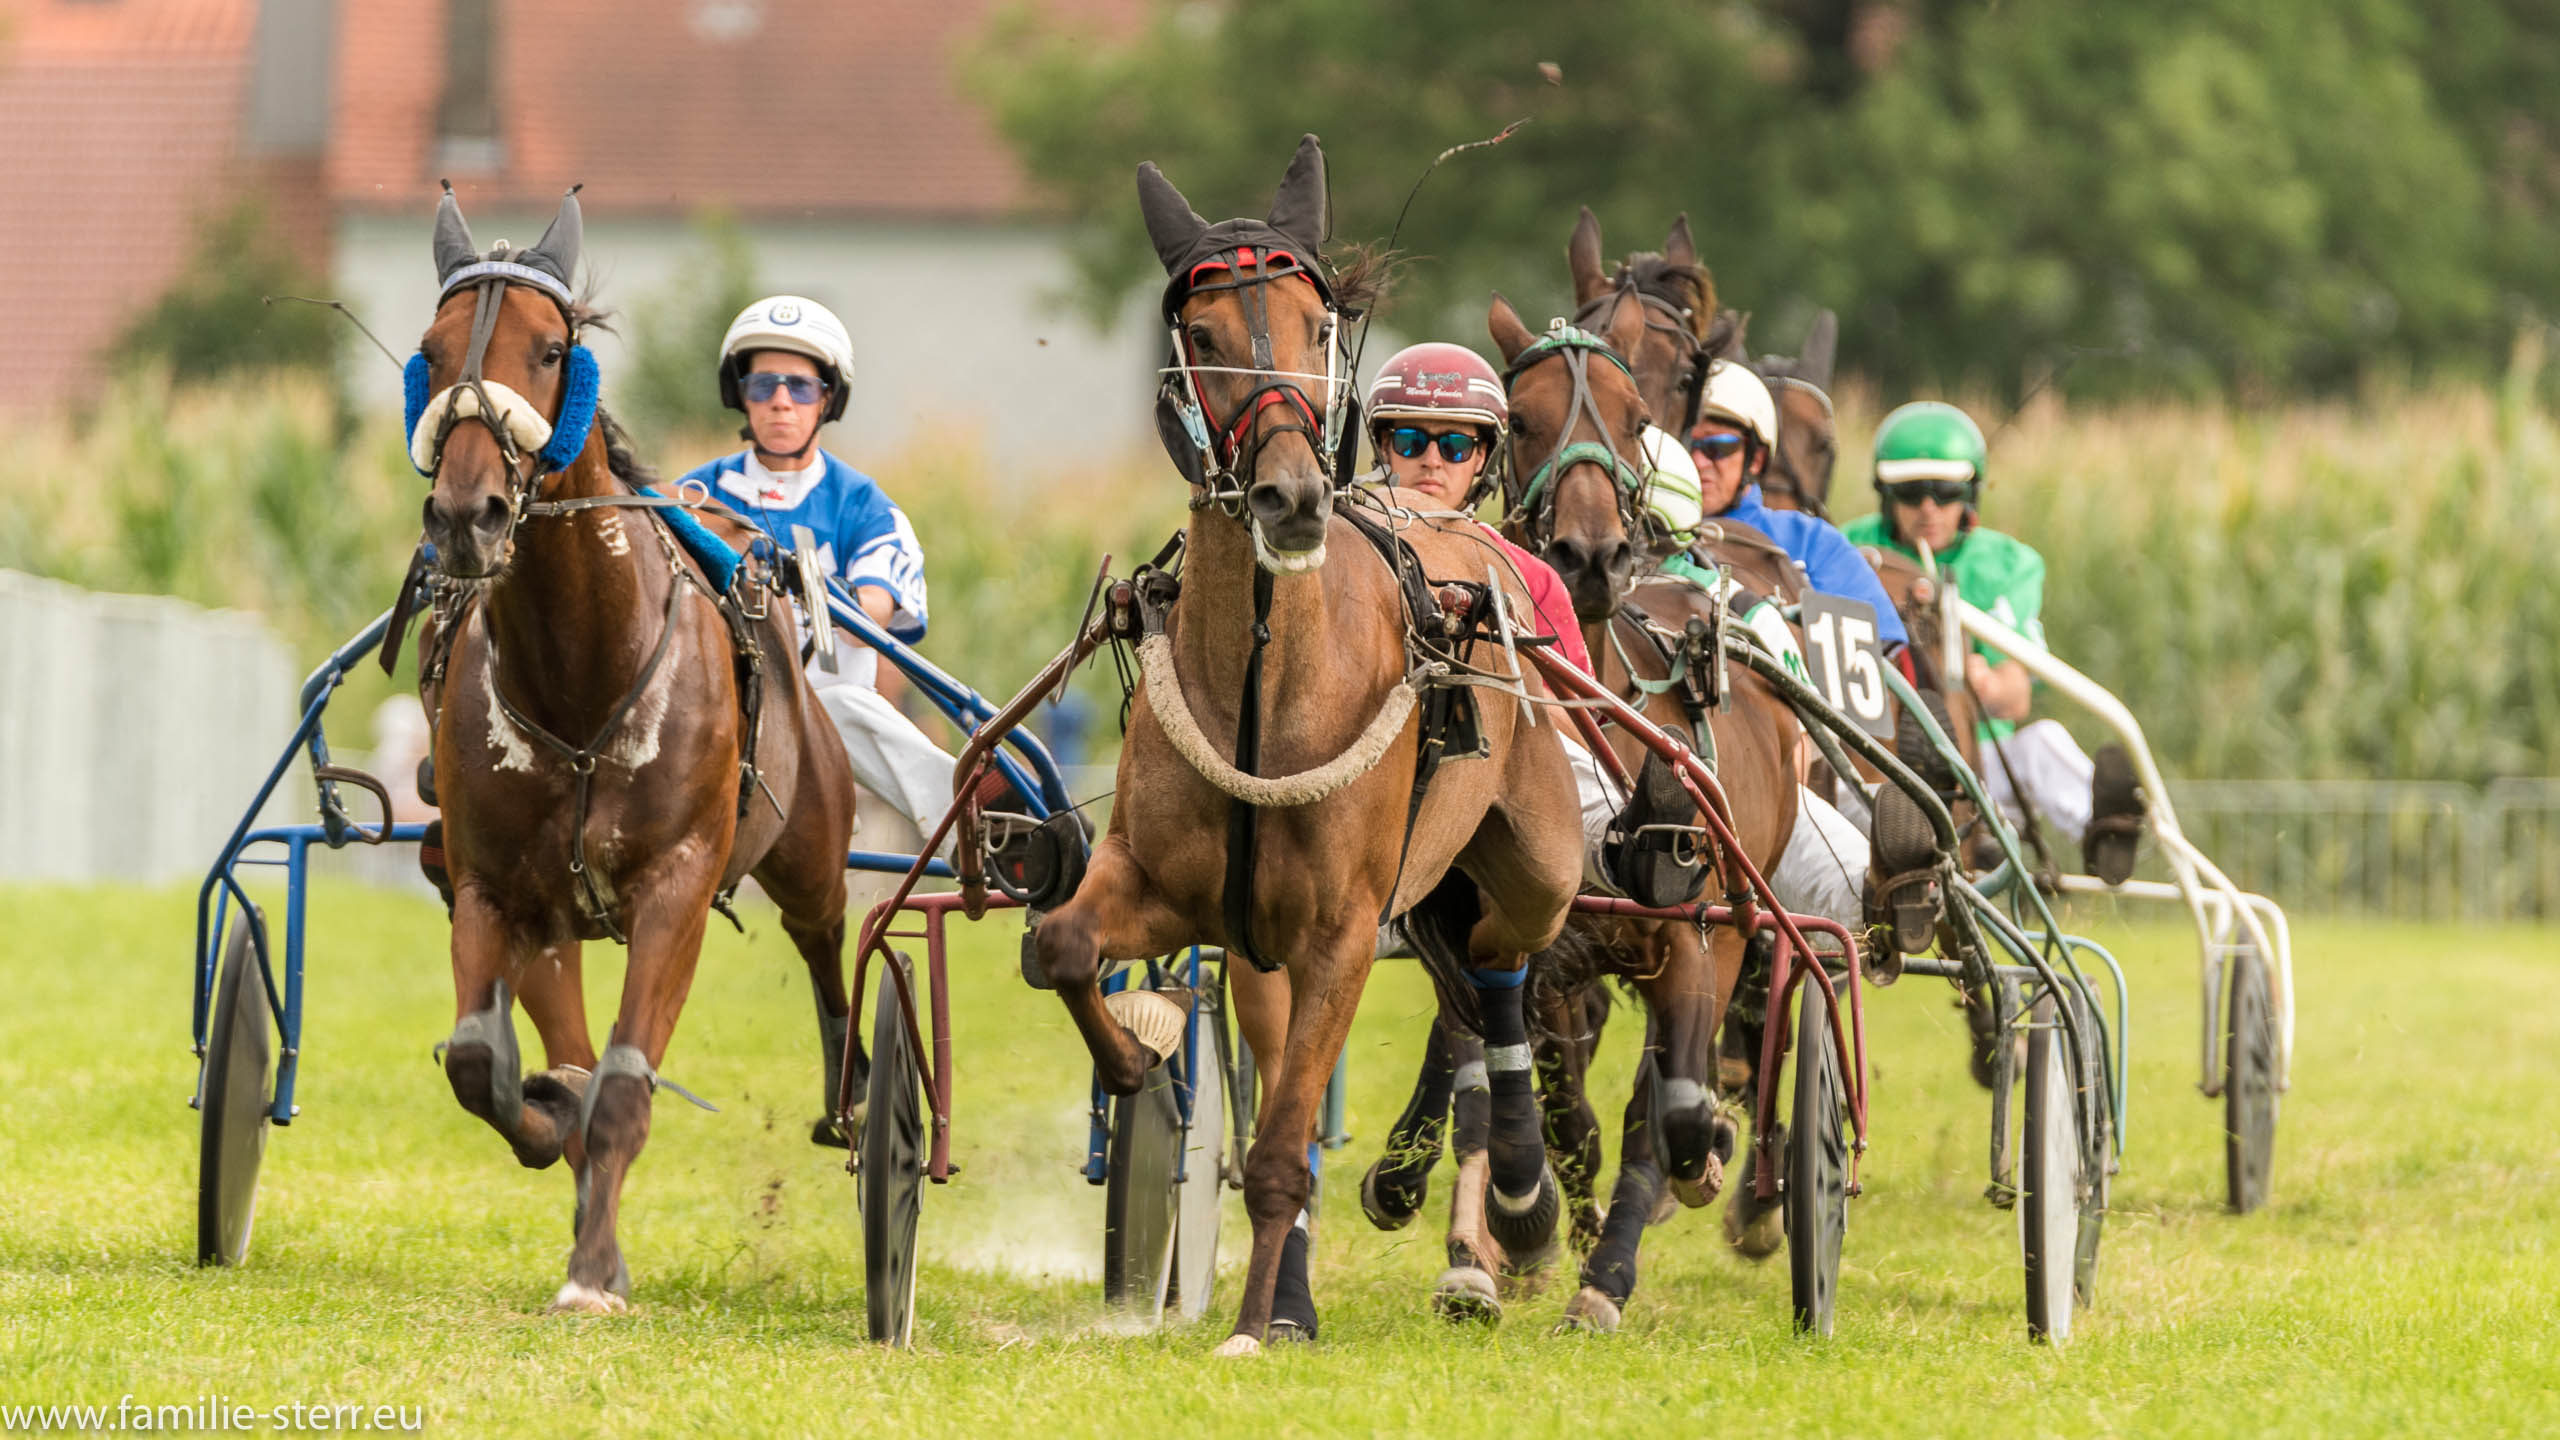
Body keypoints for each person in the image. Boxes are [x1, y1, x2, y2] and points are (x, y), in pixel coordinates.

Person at [1359, 342, 1699, 906]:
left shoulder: (1531, 576)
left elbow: (1573, 713)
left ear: (1483, 456)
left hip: (1495, 755)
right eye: (1412, 441)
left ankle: (1626, 844)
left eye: (1455, 443)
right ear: (1384, 447)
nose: (1433, 461)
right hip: (1369, 745)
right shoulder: (1346, 539)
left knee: (1550, 747)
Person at [677, 295, 980, 852]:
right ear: (740, 395)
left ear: (827, 398)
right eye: (763, 385)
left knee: (834, 700)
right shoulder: (691, 496)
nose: (781, 403)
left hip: (823, 714)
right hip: (713, 710)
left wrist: (794, 581)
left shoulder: (864, 505)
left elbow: (872, 615)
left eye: (801, 386)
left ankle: (969, 822)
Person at [1839, 401, 2142, 882]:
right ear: (1885, 493)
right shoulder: (1847, 549)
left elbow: (2014, 697)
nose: (1929, 508)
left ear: (1971, 493)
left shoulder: (2007, 563)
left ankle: (2104, 831)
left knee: (2044, 741)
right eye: (1911, 492)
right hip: (1877, 768)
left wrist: (1979, 679)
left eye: (1946, 492)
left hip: (1979, 770)